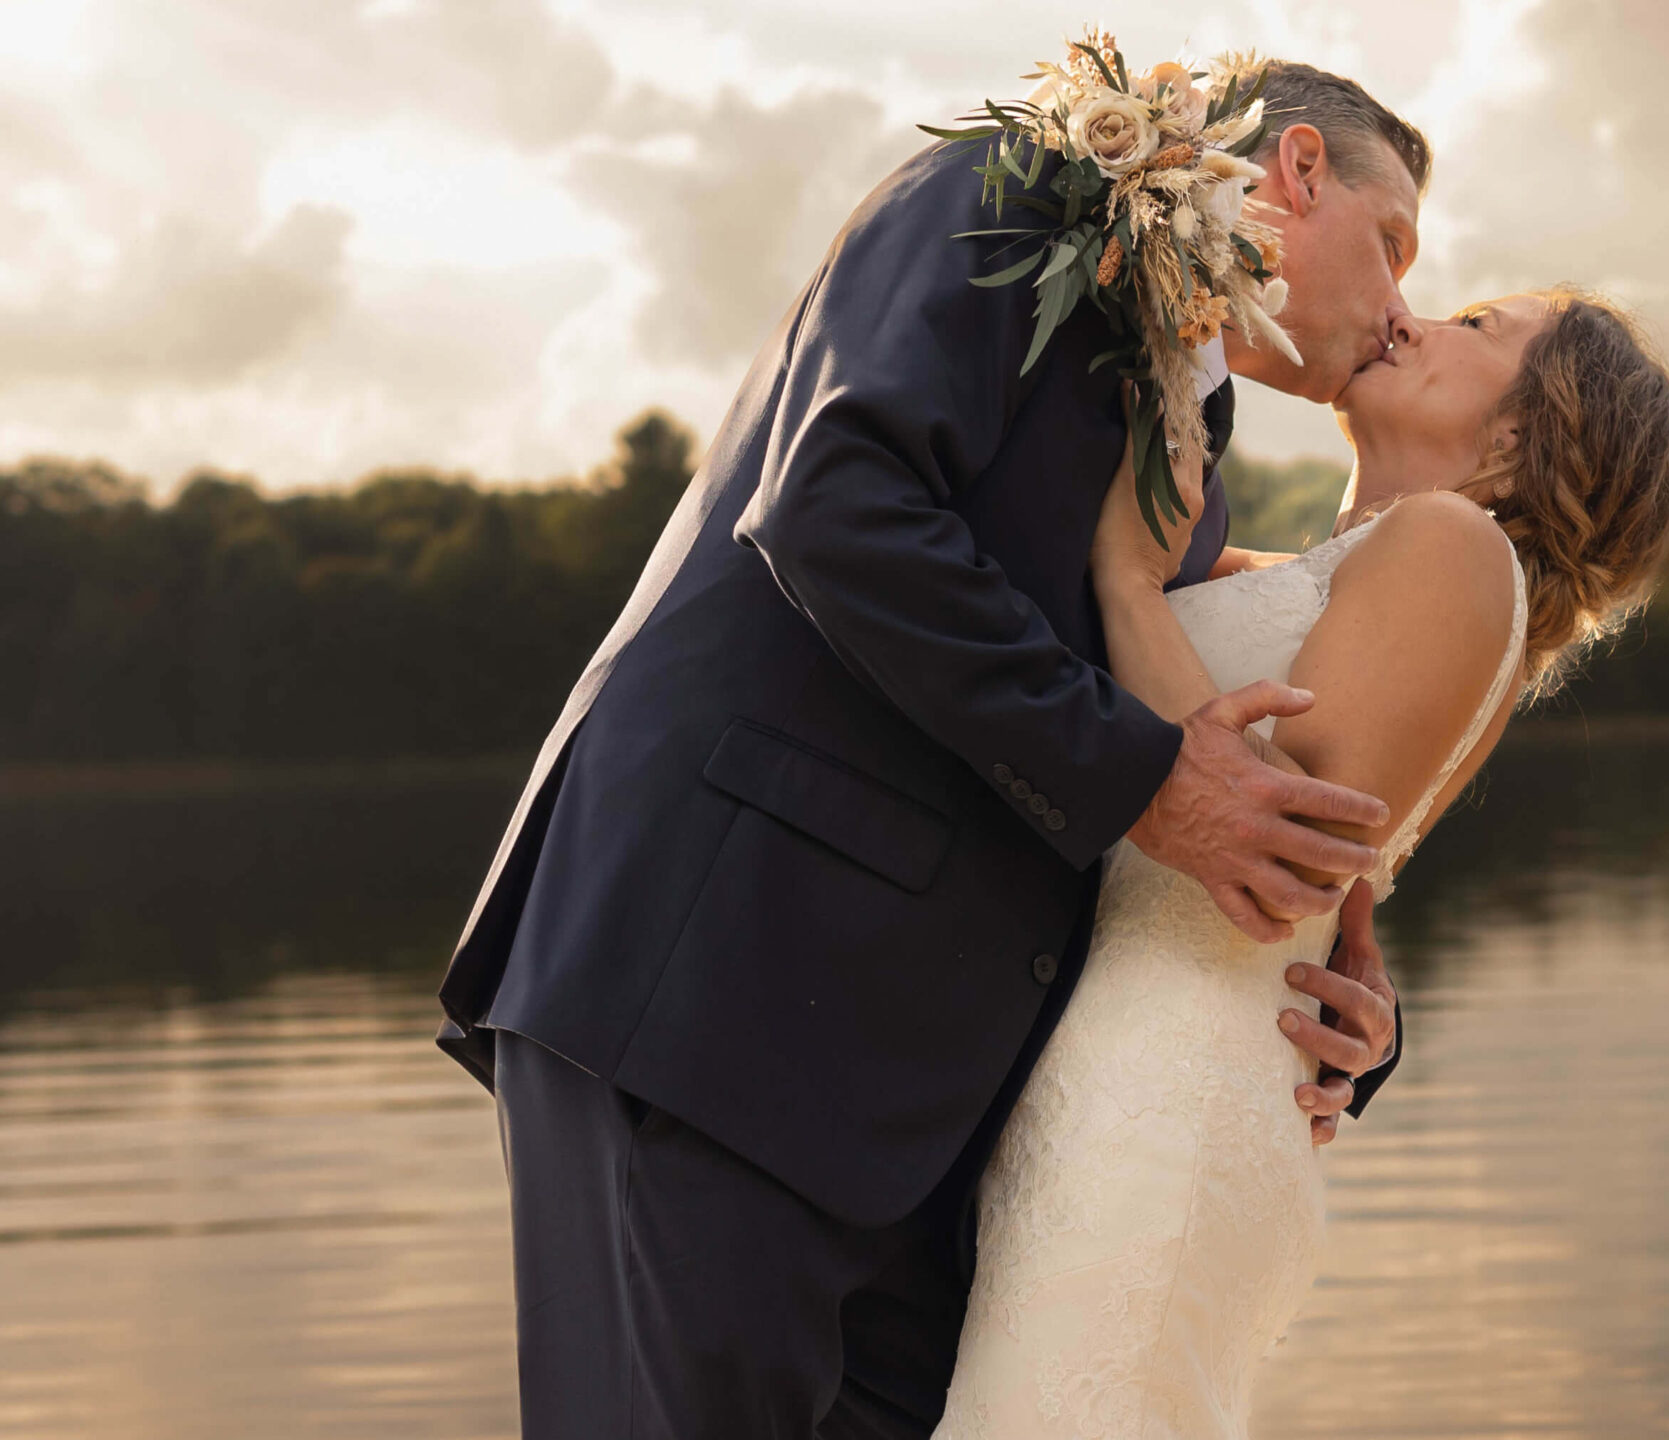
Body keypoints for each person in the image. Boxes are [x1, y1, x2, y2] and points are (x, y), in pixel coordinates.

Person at [431, 62, 1434, 1440]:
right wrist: (1147, 783)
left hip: (915, 1116)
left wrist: (1337, 1014)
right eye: (1396, 249)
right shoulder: (1024, 193)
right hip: (715, 991)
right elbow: (837, 508)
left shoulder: (1198, 432)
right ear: (1303, 170)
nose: (1401, 311)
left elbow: (1180, 753)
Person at [932, 286, 1669, 1436]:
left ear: (1526, 433)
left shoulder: (1453, 547)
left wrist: (1130, 586)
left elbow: (1266, 848)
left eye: (1478, 327)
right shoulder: (1321, 578)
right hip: (1100, 1085)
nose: (1415, 316)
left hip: (1163, 1111)